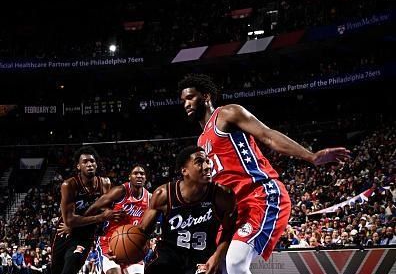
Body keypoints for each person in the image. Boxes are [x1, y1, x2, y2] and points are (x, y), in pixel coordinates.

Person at [178, 74, 351, 274]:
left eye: (190, 97)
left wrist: (310, 156)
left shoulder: (227, 114)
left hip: (260, 194)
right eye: (183, 101)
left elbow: (268, 136)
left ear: (206, 96)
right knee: (222, 266)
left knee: (235, 263)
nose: (186, 104)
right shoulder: (200, 142)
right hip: (235, 208)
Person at [140, 146, 237, 274]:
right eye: (199, 162)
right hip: (168, 257)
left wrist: (217, 256)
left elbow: (229, 230)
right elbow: (142, 232)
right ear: (184, 171)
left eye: (208, 161)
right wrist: (124, 251)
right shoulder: (164, 194)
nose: (207, 166)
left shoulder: (223, 195)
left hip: (202, 257)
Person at [51, 146, 124, 274]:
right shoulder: (69, 185)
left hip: (85, 235)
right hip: (65, 232)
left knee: (73, 261)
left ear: (96, 164)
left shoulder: (104, 183)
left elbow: (106, 211)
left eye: (92, 161)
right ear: (78, 166)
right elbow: (69, 221)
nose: (89, 164)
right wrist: (100, 217)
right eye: (85, 162)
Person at [84, 165, 151, 274]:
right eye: (135, 173)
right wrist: (79, 223)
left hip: (132, 245)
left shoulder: (149, 198)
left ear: (145, 178)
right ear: (130, 177)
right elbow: (94, 207)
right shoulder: (120, 191)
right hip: (110, 242)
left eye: (142, 174)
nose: (139, 176)